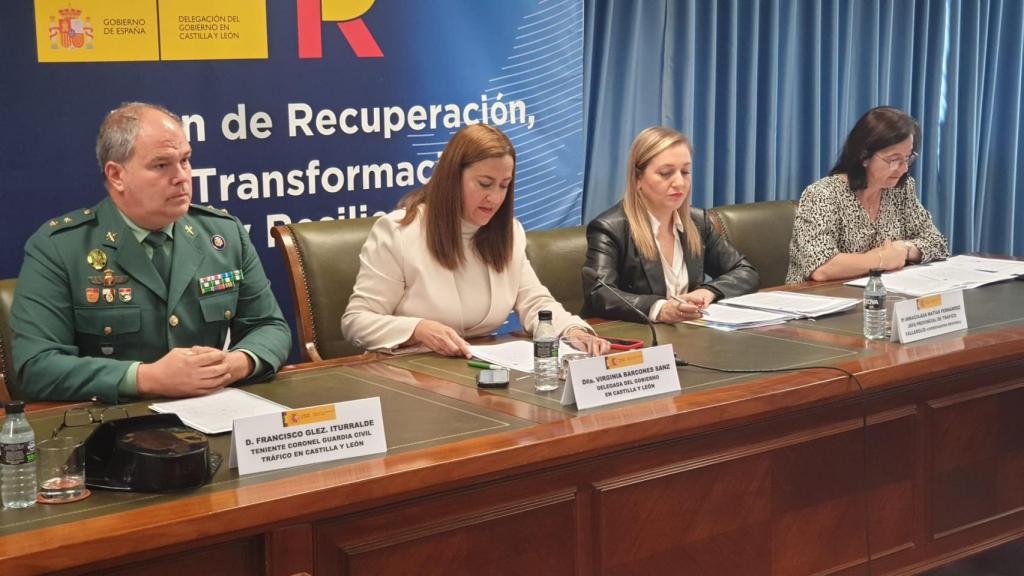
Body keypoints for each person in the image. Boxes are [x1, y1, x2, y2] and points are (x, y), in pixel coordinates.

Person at [11, 102, 291, 402]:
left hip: (211, 412)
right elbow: (35, 367)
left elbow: (270, 326)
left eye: (185, 160)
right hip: (109, 425)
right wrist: (145, 378)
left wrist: (235, 363)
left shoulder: (223, 233)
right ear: (117, 175)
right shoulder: (60, 246)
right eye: (162, 165)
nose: (181, 176)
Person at [342, 124, 608, 357]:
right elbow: (356, 322)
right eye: (484, 184)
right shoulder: (398, 232)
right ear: (452, 178)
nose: (495, 198)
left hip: (478, 372)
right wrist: (417, 329)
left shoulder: (509, 232)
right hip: (408, 371)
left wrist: (573, 330)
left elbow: (536, 303)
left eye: (504, 186)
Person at [582, 126, 759, 323]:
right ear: (637, 178)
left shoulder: (698, 222)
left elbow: (745, 271)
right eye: (666, 173)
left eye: (685, 172)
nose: (679, 183)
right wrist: (659, 308)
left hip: (689, 335)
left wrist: (709, 291)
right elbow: (599, 294)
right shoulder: (610, 228)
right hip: (638, 340)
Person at [786, 106, 949, 283]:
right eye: (894, 160)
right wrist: (882, 259)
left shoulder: (901, 189)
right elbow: (821, 268)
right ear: (864, 156)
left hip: (880, 296)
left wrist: (904, 249)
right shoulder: (823, 194)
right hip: (822, 300)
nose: (903, 168)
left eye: (907, 158)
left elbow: (937, 243)